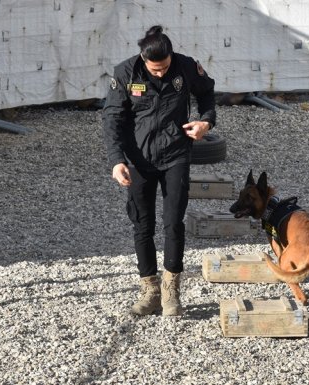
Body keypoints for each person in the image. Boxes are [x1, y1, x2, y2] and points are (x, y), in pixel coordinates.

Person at [102, 25, 216, 316]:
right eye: (154, 70)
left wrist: (206, 122)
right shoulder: (125, 73)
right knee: (142, 224)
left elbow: (207, 92)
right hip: (138, 160)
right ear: (142, 59)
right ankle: (149, 290)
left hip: (176, 155)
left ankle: (171, 291)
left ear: (171, 57)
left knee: (173, 222)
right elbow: (112, 119)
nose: (161, 73)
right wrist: (117, 160)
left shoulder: (187, 67)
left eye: (164, 67)